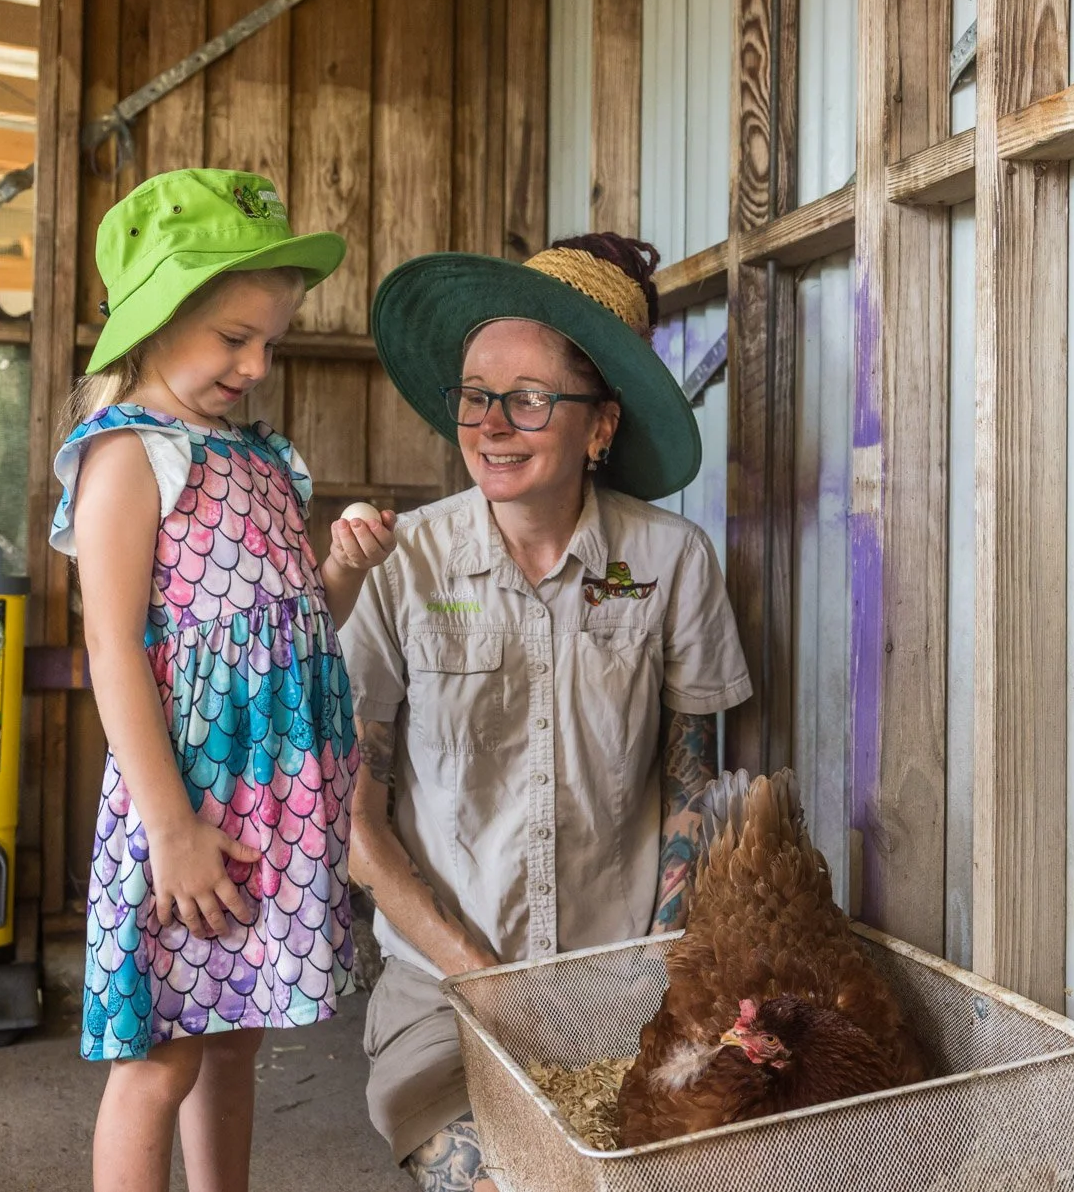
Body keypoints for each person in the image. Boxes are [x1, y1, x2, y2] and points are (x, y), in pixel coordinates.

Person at [341, 233, 753, 1190]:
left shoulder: (670, 561)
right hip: (442, 994)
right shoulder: (407, 566)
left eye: (529, 398)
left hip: (622, 988)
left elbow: (690, 784)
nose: (492, 423)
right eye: (476, 395)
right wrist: (476, 972)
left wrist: (660, 978)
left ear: (600, 426)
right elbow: (349, 815)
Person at [49, 168, 397, 1192]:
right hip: (192, 809)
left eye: (268, 341)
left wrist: (340, 567)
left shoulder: (256, 458)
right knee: (161, 1059)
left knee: (238, 1038)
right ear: (154, 321)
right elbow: (113, 648)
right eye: (233, 337)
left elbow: (289, 629)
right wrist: (171, 831)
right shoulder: (129, 458)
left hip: (271, 807)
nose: (256, 361)